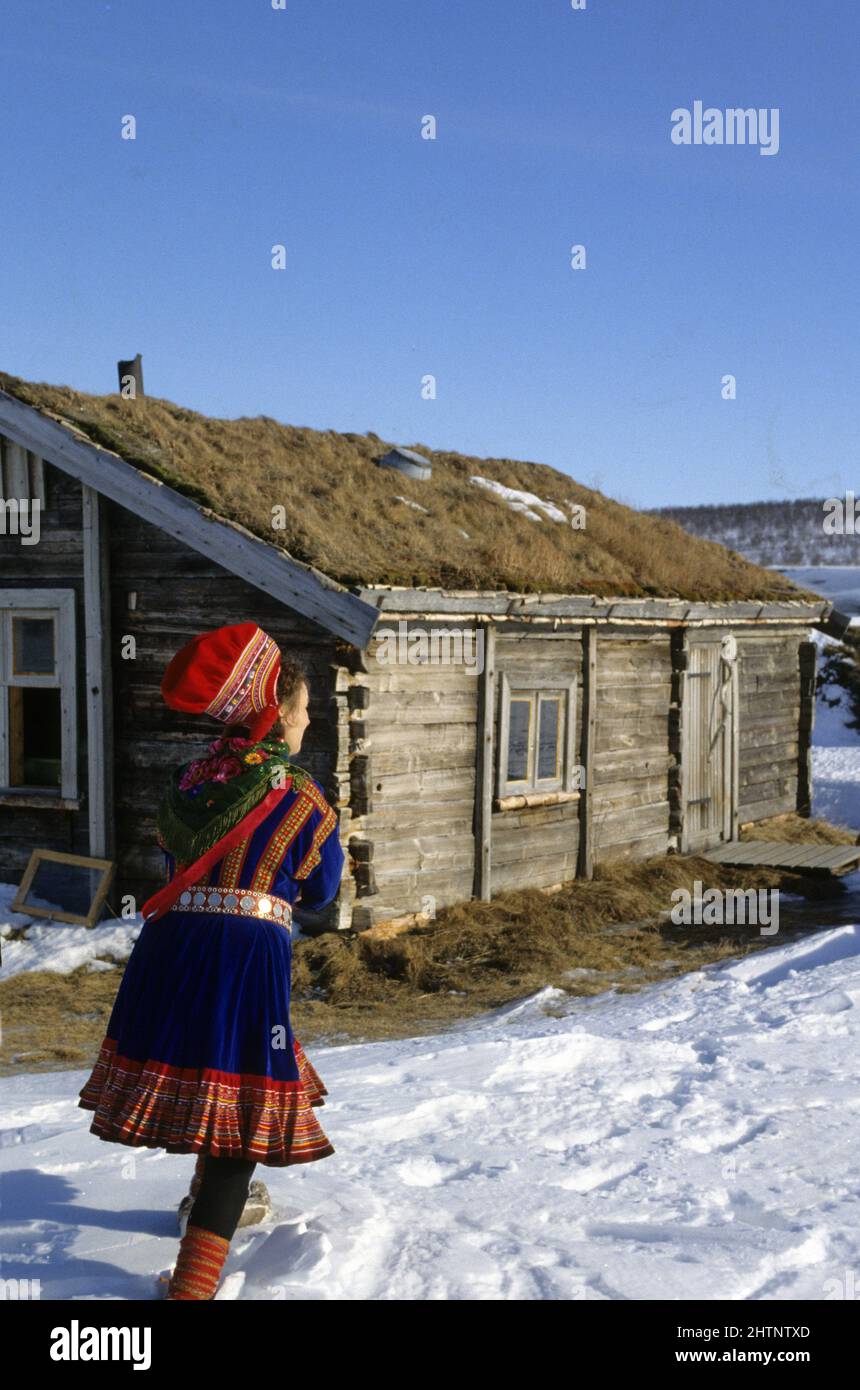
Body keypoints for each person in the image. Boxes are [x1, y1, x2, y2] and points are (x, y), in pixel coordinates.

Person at [77, 621, 345, 1300]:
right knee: (242, 1104)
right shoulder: (300, 796)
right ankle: (193, 1290)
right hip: (244, 953)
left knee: (209, 1075)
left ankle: (211, 1207)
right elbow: (321, 891)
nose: (308, 719)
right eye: (304, 707)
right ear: (275, 712)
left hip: (170, 945)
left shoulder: (191, 781)